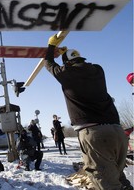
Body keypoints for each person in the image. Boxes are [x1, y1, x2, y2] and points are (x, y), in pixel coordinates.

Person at [44, 34, 132, 190]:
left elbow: (49, 63)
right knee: (119, 179)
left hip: (95, 134)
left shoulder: (66, 74)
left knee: (107, 183)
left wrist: (51, 46)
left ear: (66, 63)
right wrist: (66, 53)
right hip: (117, 131)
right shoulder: (98, 70)